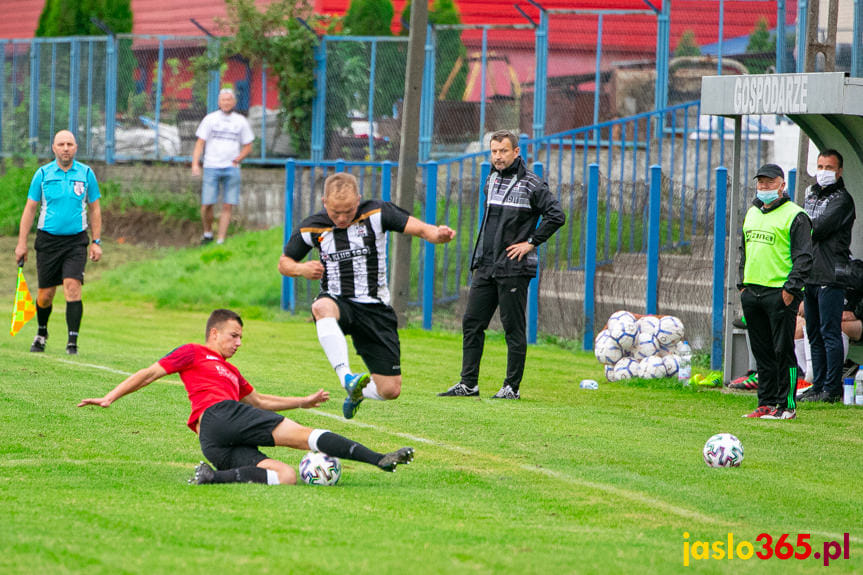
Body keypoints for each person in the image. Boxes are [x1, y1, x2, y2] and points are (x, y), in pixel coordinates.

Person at [78, 309, 414, 485]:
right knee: (302, 438)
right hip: (217, 416)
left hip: (212, 443)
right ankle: (378, 459)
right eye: (233, 335)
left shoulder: (232, 374)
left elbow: (260, 402)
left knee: (285, 476)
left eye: (241, 337)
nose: (238, 342)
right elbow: (149, 373)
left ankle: (212, 478)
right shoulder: (193, 352)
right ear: (214, 333)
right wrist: (110, 397)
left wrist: (302, 401)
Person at [279, 172, 456, 419]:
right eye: (335, 212)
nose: (341, 218)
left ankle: (358, 393)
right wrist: (301, 268)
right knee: (321, 308)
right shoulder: (312, 227)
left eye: (348, 211)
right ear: (324, 203)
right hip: (339, 301)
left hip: (376, 308)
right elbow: (284, 262)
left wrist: (439, 235)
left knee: (390, 390)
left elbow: (422, 229)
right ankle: (346, 377)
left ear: (359, 200)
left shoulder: (377, 213)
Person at [439, 130, 565, 400]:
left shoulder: (532, 184)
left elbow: (557, 215)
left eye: (503, 151)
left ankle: (511, 388)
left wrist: (531, 242)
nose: (498, 156)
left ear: (516, 152)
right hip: (486, 265)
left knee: (513, 328)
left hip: (513, 267)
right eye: (494, 151)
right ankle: (468, 384)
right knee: (472, 322)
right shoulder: (491, 179)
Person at [14, 130, 102, 356]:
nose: (65, 148)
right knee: (46, 294)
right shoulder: (42, 174)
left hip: (76, 241)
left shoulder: (86, 173)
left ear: (76, 147)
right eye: (61, 144)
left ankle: (72, 341)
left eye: (69, 144)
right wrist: (21, 243)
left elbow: (95, 209)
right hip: (47, 241)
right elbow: (30, 209)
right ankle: (42, 332)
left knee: (73, 287)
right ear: (53, 148)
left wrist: (96, 241)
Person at [738, 164, 812, 420]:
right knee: (762, 352)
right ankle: (766, 403)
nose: (765, 187)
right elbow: (744, 251)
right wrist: (743, 285)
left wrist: (790, 290)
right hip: (753, 292)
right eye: (761, 183)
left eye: (770, 183)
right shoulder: (752, 212)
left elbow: (804, 258)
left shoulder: (796, 215)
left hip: (779, 293)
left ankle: (787, 405)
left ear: (782, 185)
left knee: (782, 350)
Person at [799, 149, 856, 403]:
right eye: (820, 166)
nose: (823, 172)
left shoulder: (842, 200)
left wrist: (801, 226)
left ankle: (831, 389)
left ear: (839, 171)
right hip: (809, 274)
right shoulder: (810, 194)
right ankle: (818, 384)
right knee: (813, 331)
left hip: (831, 275)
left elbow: (816, 228)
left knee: (829, 332)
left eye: (829, 168)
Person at [191, 88, 254, 245]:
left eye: (229, 100)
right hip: (211, 166)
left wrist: (238, 159)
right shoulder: (210, 119)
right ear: (219, 102)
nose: (226, 103)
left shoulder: (240, 121)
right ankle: (207, 233)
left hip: (231, 168)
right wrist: (195, 164)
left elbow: (248, 145)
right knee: (207, 204)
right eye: (223, 100)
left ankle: (220, 240)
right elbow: (200, 143)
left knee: (228, 205)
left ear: (233, 102)